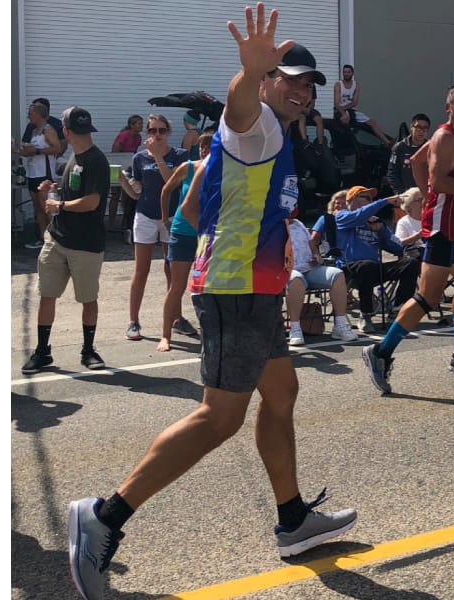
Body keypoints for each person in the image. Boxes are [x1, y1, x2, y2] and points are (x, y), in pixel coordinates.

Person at [68, 7, 356, 600]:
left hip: (255, 285)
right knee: (220, 417)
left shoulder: (253, 140)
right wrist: (248, 74)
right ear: (269, 81)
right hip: (236, 289)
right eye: (291, 78)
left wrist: (235, 237)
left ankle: (294, 518)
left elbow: (195, 211)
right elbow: (238, 106)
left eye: (309, 84)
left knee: (281, 393)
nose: (302, 91)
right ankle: (104, 516)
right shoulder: (256, 125)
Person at [362, 82, 454, 395]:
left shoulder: (452, 136)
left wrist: (427, 194)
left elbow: (418, 162)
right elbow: (439, 181)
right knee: (427, 298)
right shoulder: (447, 137)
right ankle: (380, 353)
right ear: (448, 108)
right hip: (441, 229)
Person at [21, 106, 110, 374]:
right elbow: (75, 189)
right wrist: (55, 186)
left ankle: (88, 350)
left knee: (87, 298)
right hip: (57, 238)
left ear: (67, 131)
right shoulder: (75, 156)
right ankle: (42, 351)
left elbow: (92, 201)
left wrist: (59, 206)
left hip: (85, 243)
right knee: (47, 294)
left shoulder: (95, 160)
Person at [119, 114, 195, 341]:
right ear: (147, 133)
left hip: (171, 217)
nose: (157, 135)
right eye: (152, 131)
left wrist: (160, 158)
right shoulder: (139, 158)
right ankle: (133, 321)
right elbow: (137, 192)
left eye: (161, 130)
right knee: (141, 270)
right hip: (145, 215)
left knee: (172, 269)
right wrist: (123, 182)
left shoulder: (179, 155)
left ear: (169, 132)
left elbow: (172, 183)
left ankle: (176, 317)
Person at [155, 132, 213, 352]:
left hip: (206, 235)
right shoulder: (187, 167)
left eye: (209, 146)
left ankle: (210, 333)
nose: (204, 149)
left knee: (207, 288)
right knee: (176, 286)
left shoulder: (220, 172)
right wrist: (165, 219)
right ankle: (165, 335)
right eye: (202, 146)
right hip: (182, 232)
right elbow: (166, 189)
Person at [335, 186, 420, 333]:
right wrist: (385, 201)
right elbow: (359, 215)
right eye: (366, 198)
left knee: (410, 263)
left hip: (373, 269)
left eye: (371, 199)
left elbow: (397, 247)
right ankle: (366, 315)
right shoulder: (342, 216)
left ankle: (397, 309)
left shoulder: (375, 222)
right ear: (351, 200)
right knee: (366, 266)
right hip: (348, 269)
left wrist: (381, 231)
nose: (370, 201)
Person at [285, 209, 358, 346]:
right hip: (287, 270)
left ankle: (340, 325)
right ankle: (295, 328)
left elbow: (312, 244)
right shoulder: (272, 226)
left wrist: (317, 255)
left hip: (309, 268)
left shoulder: (299, 224)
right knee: (295, 279)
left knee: (337, 274)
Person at [20, 102, 61, 249]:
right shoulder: (33, 130)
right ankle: (44, 239)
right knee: (38, 208)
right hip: (32, 172)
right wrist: (18, 150)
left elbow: (57, 148)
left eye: (30, 113)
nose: (28, 116)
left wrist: (37, 151)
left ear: (38, 114)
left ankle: (57, 239)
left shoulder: (48, 129)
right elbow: (29, 151)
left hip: (44, 173)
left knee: (47, 208)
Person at [333, 64, 393, 147]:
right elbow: (336, 103)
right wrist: (342, 112)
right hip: (339, 111)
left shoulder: (356, 85)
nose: (346, 74)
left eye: (348, 72)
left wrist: (345, 108)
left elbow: (354, 103)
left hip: (350, 110)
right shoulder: (338, 85)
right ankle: (345, 147)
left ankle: (388, 142)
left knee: (372, 122)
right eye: (344, 72)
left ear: (352, 73)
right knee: (345, 120)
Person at [109, 115, 143, 233]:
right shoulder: (124, 135)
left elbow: (134, 153)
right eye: (138, 123)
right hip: (117, 166)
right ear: (131, 125)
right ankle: (111, 223)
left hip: (128, 169)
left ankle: (126, 222)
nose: (141, 126)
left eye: (141, 123)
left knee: (127, 195)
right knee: (115, 195)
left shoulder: (138, 137)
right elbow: (115, 153)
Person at [387, 113, 431, 200]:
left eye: (425, 128)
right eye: (418, 127)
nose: (421, 131)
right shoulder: (400, 147)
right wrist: (402, 194)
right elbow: (392, 174)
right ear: (411, 127)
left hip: (425, 197)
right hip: (405, 197)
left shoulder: (432, 148)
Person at [394, 187, 425, 262]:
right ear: (409, 206)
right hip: (417, 255)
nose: (423, 202)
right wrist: (416, 236)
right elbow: (398, 242)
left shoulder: (432, 218)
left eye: (423, 199)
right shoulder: (404, 222)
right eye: (419, 200)